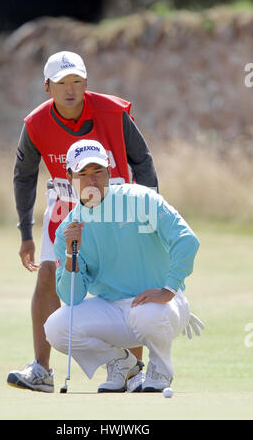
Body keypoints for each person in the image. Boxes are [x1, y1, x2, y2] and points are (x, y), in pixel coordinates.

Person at [7, 51, 159, 392]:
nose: (71, 89)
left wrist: (150, 215)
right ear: (48, 87)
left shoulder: (112, 112)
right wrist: (24, 232)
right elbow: (24, 176)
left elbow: (143, 161)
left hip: (119, 207)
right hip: (64, 208)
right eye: (62, 83)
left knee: (125, 284)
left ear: (86, 83)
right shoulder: (35, 124)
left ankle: (132, 372)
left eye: (77, 81)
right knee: (47, 275)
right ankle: (42, 370)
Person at [44, 140, 202, 393]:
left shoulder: (141, 199)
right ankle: (122, 362)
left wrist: (169, 288)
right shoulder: (68, 229)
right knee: (56, 327)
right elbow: (72, 297)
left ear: (109, 172)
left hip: (161, 306)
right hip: (113, 310)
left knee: (146, 313)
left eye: (97, 171)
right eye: (82, 174)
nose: (91, 180)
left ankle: (160, 369)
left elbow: (186, 240)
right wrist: (72, 253)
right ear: (70, 177)